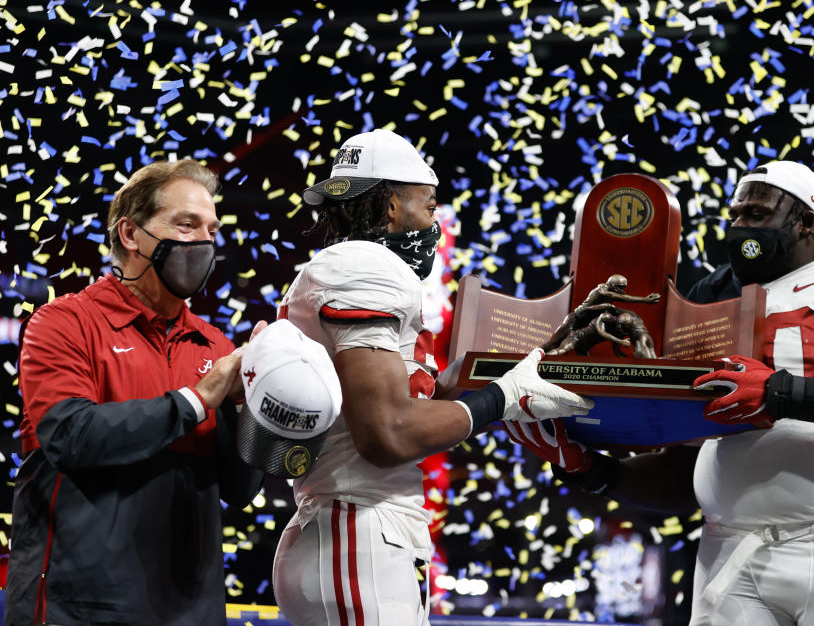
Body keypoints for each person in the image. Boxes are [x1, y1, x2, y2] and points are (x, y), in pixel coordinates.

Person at [504, 160, 814, 626]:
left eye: (756, 214)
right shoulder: (710, 298)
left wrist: (784, 392)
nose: (739, 226)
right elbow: (683, 480)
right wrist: (588, 469)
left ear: (805, 222)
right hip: (729, 553)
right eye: (735, 214)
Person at [269, 128, 594, 626]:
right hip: (354, 530)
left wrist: (510, 365)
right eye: (429, 205)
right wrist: (502, 398)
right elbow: (386, 435)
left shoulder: (343, 265)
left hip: (352, 531)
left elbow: (405, 401)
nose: (434, 220)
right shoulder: (366, 266)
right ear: (392, 205)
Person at [5, 160, 265, 626]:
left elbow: (240, 489)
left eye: (211, 230)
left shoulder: (216, 346)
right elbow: (70, 436)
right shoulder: (64, 324)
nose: (203, 242)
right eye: (186, 225)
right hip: (78, 609)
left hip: (191, 612)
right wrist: (196, 399)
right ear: (130, 234)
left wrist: (263, 410)